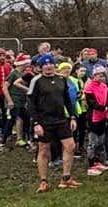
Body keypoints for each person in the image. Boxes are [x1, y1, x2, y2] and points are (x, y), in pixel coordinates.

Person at [24, 59, 80, 192]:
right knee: (44, 150)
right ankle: (43, 181)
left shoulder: (61, 79)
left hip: (61, 119)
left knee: (70, 146)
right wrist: (36, 123)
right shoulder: (36, 81)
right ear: (41, 67)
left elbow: (67, 100)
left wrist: (72, 116)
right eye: (45, 64)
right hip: (44, 121)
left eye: (50, 64)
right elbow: (31, 104)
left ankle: (66, 178)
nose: (48, 66)